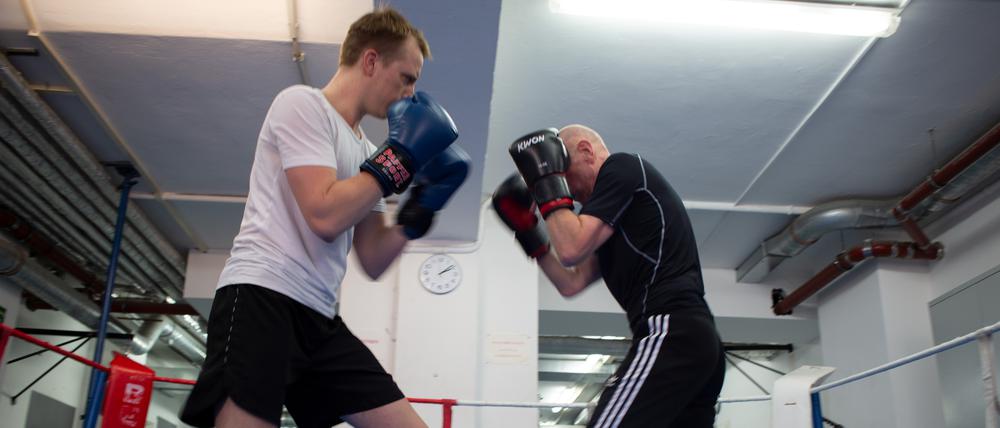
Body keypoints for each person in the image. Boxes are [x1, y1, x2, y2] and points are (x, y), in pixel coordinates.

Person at [180, 7, 470, 428]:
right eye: (406, 77)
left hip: (319, 317)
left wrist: (423, 206)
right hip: (263, 298)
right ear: (371, 60)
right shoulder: (302, 105)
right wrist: (400, 158)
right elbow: (324, 214)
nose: (409, 94)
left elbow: (373, 257)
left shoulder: (365, 152)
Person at [493, 125, 725, 427]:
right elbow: (571, 282)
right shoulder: (610, 222)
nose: (571, 193)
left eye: (565, 175)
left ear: (587, 152)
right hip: (696, 341)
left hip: (671, 329)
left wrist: (546, 183)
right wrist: (528, 234)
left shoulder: (623, 167)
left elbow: (571, 248)